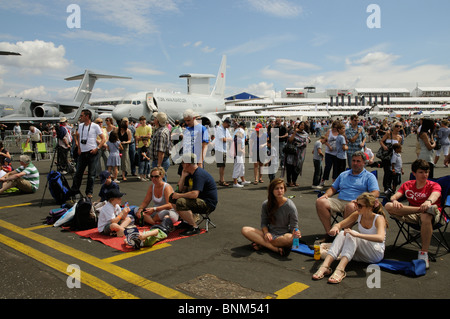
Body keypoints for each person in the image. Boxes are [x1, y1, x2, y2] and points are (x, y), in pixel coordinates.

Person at [312, 192, 387, 284]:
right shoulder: (358, 214)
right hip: (361, 253)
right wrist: (335, 227)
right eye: (356, 204)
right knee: (343, 232)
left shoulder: (379, 218)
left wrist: (357, 235)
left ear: (369, 207)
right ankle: (325, 266)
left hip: (375, 253)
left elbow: (380, 237)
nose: (356, 207)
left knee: (352, 234)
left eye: (359, 205)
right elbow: (339, 224)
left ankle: (340, 270)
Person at [384, 159, 443, 268]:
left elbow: (435, 194)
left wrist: (428, 201)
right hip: (414, 212)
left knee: (426, 215)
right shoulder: (408, 185)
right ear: (414, 173)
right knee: (388, 205)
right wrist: (395, 201)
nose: (424, 175)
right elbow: (395, 196)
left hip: (433, 215)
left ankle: (423, 253)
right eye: (421, 172)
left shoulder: (433, 185)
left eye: (426, 172)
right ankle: (422, 209)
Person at [316, 151, 380, 239]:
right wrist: (327, 195)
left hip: (356, 203)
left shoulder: (369, 176)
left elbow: (375, 193)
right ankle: (330, 233)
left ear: (364, 163)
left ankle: (344, 235)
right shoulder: (343, 174)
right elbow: (333, 188)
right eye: (353, 161)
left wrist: (360, 200)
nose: (355, 163)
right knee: (320, 201)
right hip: (340, 201)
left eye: (358, 161)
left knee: (350, 206)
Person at [241, 178, 301, 256]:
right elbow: (264, 223)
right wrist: (266, 233)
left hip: (283, 236)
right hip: (269, 234)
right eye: (276, 188)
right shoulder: (266, 204)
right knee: (245, 229)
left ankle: (262, 243)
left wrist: (296, 232)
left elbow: (294, 227)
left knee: (291, 239)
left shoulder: (290, 206)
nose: (279, 191)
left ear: (285, 190)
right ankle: (274, 248)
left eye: (281, 188)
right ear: (272, 191)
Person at [171, 153, 218, 236]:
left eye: (182, 163)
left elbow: (194, 194)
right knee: (172, 198)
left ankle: (194, 227)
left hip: (207, 203)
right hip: (198, 200)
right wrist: (183, 176)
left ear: (187, 164)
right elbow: (181, 189)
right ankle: (186, 222)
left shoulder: (199, 174)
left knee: (180, 201)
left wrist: (179, 196)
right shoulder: (189, 174)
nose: (181, 165)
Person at [70, 109, 106, 198]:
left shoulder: (95, 126)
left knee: (91, 174)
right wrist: (78, 147)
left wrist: (97, 148)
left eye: (82, 115)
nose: (80, 117)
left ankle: (89, 192)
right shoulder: (81, 126)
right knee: (78, 173)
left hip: (92, 152)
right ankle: (75, 190)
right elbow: (78, 136)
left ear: (87, 116)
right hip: (82, 152)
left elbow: (103, 138)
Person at [379, 120, 403, 195]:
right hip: (387, 156)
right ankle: (386, 187)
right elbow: (381, 141)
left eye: (400, 126)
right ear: (393, 126)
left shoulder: (399, 137)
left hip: (394, 156)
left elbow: (399, 147)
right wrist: (384, 146)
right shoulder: (388, 134)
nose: (398, 127)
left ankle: (392, 188)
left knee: (394, 173)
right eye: (397, 126)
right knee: (387, 172)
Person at [284, 121, 309, 187]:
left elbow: (305, 142)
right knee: (290, 167)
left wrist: (299, 144)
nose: (302, 126)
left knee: (297, 167)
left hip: (300, 153)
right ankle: (289, 182)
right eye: (301, 125)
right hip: (291, 152)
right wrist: (295, 132)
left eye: (303, 125)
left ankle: (294, 181)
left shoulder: (305, 134)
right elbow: (290, 140)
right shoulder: (292, 132)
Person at [150, 112, 172, 181]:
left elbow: (161, 150)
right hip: (163, 160)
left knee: (159, 182)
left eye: (155, 118)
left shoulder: (160, 133)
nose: (154, 119)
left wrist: (159, 165)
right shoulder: (165, 130)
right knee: (161, 181)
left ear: (158, 121)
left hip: (160, 161)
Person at [320, 120, 340, 187]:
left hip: (336, 153)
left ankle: (334, 180)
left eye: (336, 127)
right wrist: (329, 146)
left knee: (336, 167)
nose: (335, 128)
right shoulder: (330, 131)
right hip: (329, 152)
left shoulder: (340, 132)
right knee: (328, 167)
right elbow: (324, 140)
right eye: (334, 127)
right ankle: (323, 179)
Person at [231, 121, 251, 188]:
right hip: (238, 152)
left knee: (241, 166)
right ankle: (235, 182)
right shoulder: (241, 131)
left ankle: (242, 180)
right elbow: (238, 141)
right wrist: (240, 149)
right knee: (238, 166)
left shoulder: (238, 130)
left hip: (238, 151)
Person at [215, 117, 232, 186]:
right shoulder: (219, 129)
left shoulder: (225, 129)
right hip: (220, 149)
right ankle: (222, 180)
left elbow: (229, 138)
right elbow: (223, 139)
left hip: (224, 149)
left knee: (223, 166)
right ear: (225, 123)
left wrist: (228, 138)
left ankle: (221, 179)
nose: (229, 126)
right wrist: (228, 139)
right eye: (228, 124)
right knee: (221, 166)